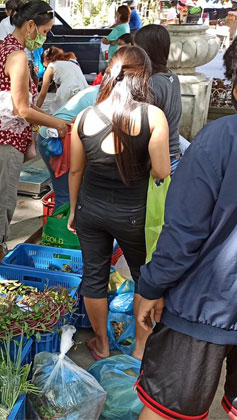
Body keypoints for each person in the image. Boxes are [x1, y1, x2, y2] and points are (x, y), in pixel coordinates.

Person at [134, 25, 237, 420]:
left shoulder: (219, 137)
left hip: (203, 307)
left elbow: (183, 231)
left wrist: (151, 286)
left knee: (165, 410)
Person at [66, 47, 170, 361]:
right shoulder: (153, 116)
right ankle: (140, 348)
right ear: (145, 77)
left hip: (91, 211)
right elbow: (162, 171)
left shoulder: (84, 118)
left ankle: (101, 343)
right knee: (143, 276)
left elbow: (75, 170)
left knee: (94, 277)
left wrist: (73, 210)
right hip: (134, 216)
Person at [0, 0, 69, 264]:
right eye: (45, 31)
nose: (44, 37)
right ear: (31, 26)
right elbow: (23, 109)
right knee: (2, 199)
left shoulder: (5, 47)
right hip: (4, 141)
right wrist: (57, 123)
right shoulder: (19, 56)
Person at [37, 85, 100, 209]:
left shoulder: (99, 90)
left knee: (64, 192)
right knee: (66, 195)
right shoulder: (108, 99)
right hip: (59, 139)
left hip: (49, 135)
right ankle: (62, 226)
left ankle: (60, 223)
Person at [134, 25, 182, 174]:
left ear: (147, 52)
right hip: (174, 154)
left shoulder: (151, 84)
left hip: (158, 158)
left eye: (136, 49)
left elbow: (141, 129)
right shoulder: (172, 77)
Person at [37, 46, 88, 113]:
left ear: (45, 61)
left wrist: (35, 110)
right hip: (84, 90)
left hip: (68, 91)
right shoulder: (73, 62)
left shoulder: (51, 66)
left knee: (57, 115)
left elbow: (43, 94)